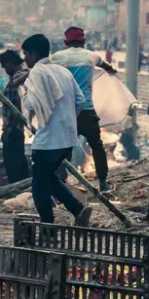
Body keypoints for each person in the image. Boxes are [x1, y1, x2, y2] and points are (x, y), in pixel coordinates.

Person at [21, 34, 92, 225]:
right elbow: (80, 101)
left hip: (47, 142)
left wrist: (25, 93)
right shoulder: (64, 72)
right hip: (67, 140)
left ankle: (48, 228)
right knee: (49, 179)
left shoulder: (37, 73)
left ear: (34, 54)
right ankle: (79, 210)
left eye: (26, 54)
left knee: (38, 188)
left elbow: (31, 103)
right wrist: (66, 120)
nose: (25, 59)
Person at [52, 26, 116, 192]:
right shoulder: (91, 56)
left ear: (66, 42)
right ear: (84, 41)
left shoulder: (57, 57)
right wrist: (111, 70)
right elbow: (107, 66)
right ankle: (103, 182)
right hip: (87, 111)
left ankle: (61, 184)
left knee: (63, 148)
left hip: (67, 112)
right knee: (96, 145)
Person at [0, 50, 30, 183]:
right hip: (19, 129)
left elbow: (13, 110)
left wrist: (7, 130)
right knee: (19, 161)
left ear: (9, 63)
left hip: (13, 130)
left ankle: (18, 189)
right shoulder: (23, 77)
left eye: (4, 65)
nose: (4, 69)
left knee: (13, 164)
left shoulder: (15, 82)